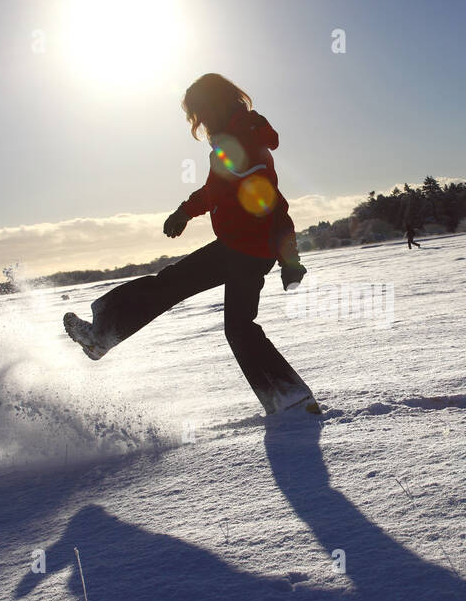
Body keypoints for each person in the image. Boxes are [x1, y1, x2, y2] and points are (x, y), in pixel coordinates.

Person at [64, 73, 318, 415]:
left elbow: (272, 203)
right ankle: (291, 399)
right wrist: (185, 211)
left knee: (169, 286)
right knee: (236, 327)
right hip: (244, 248)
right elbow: (215, 190)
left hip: (244, 250)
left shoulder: (241, 138)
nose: (196, 122)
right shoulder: (236, 136)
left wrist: (290, 259)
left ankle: (102, 334)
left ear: (211, 105)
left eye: (196, 113)